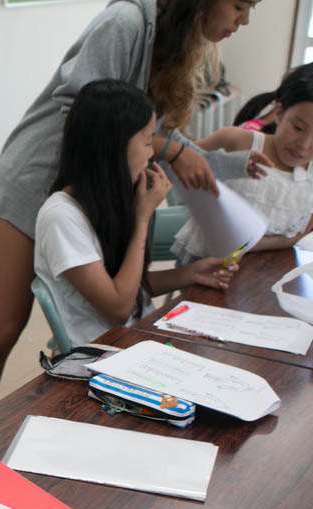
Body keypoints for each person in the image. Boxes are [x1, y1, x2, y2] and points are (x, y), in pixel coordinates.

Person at [0, 0, 259, 419]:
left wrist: (230, 164)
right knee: (5, 328)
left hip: (96, 189)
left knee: (101, 285)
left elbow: (151, 133)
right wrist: (171, 151)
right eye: (240, 4)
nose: (243, 20)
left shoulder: (173, 43)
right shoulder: (127, 21)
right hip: (36, 180)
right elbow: (90, 118)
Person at [35, 80, 238, 349]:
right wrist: (141, 218)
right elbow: (118, 308)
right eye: (146, 142)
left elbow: (133, 291)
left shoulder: (107, 200)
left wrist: (192, 273)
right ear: (114, 147)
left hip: (136, 340)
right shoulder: (60, 216)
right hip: (102, 356)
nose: (151, 153)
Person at [173, 62, 313, 261]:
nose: (304, 144)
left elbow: (299, 235)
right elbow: (175, 158)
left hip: (267, 270)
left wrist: (285, 243)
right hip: (206, 266)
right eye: (298, 128)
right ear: (279, 113)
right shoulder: (238, 141)